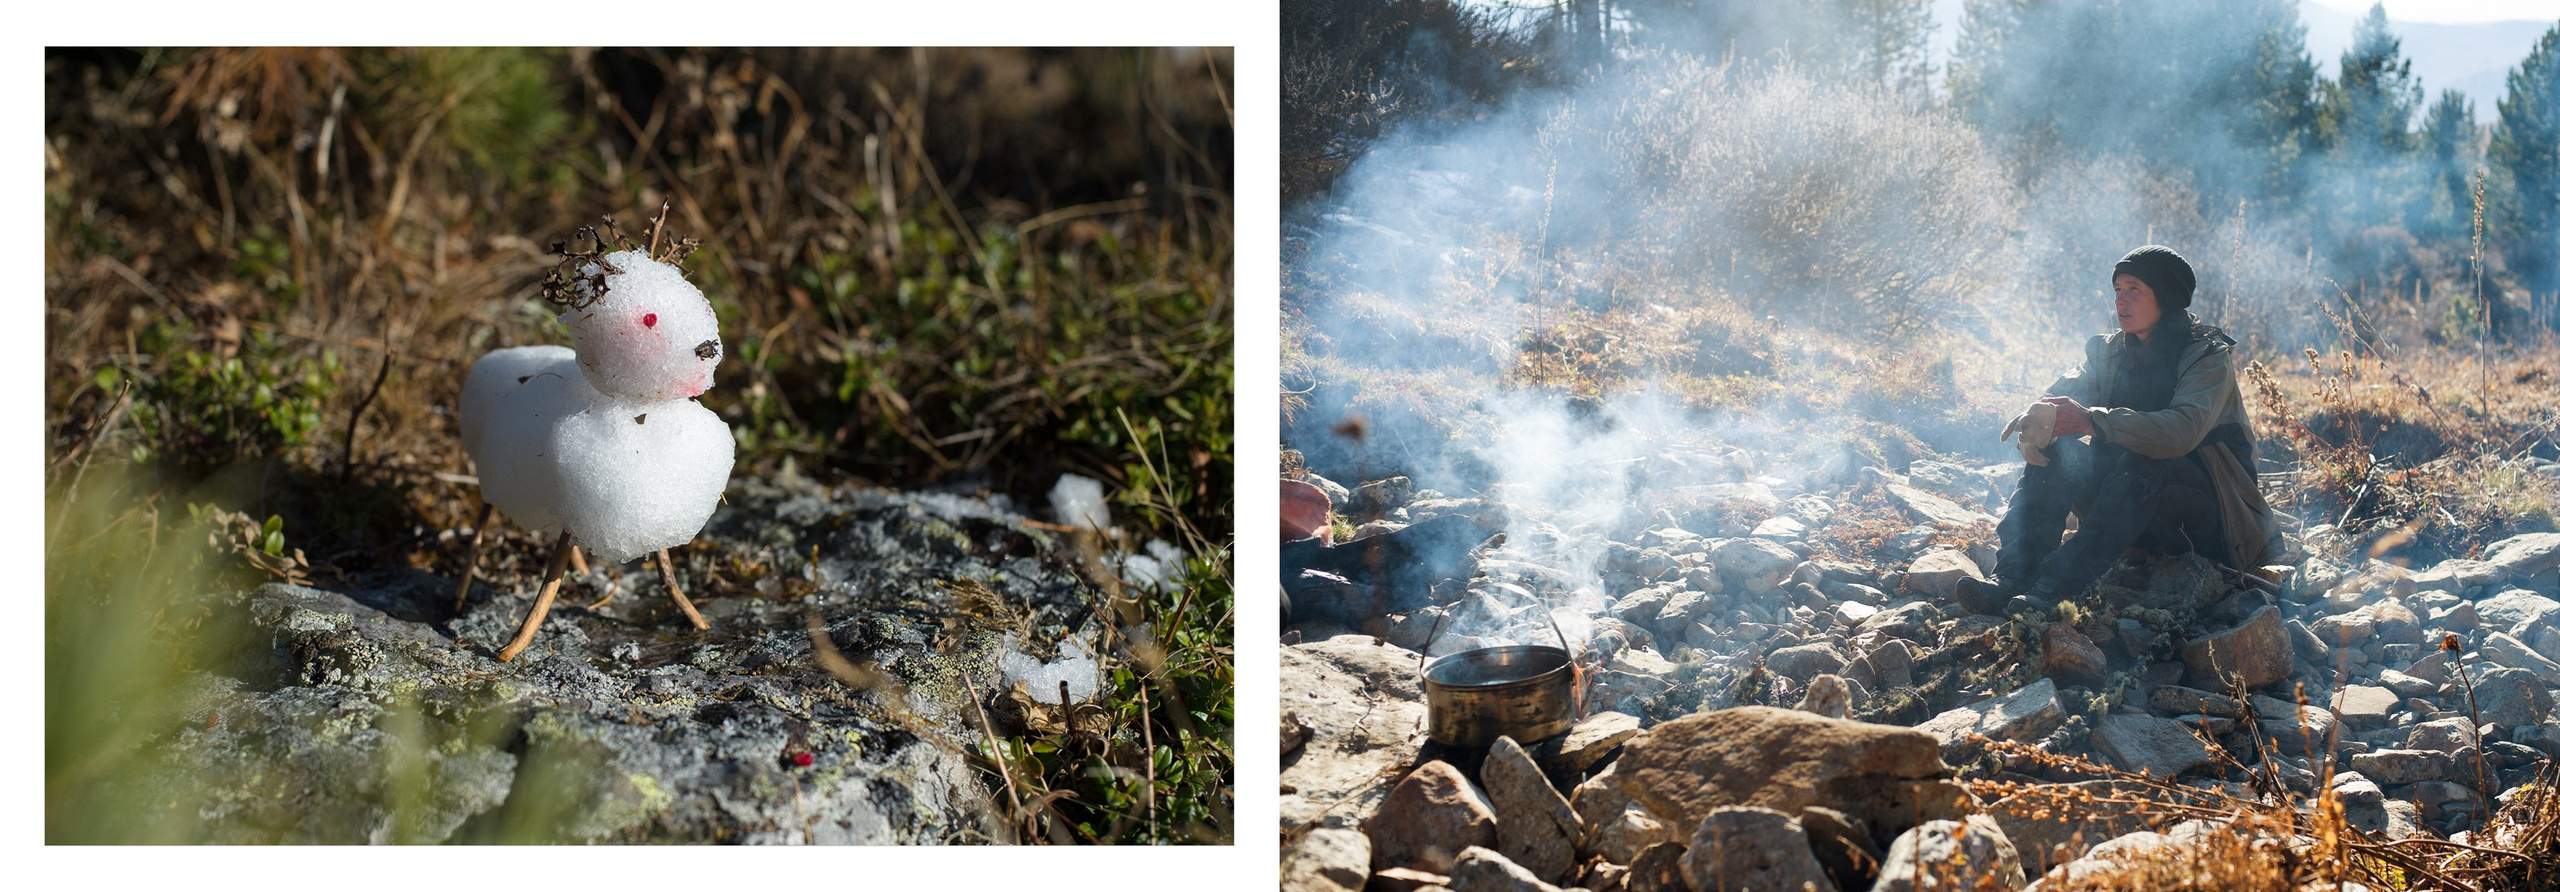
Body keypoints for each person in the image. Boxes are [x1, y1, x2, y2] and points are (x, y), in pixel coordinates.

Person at [1956, 245, 2280, 615]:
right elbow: (2063, 395)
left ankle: (2054, 590)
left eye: (2134, 289)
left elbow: (2181, 432)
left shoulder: (2207, 357)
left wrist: (2093, 419)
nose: (2120, 301)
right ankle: (2012, 579)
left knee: (2146, 457)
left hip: (2209, 522)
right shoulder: (2110, 353)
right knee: (2058, 451)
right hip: (2131, 513)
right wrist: (2038, 421)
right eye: (2117, 290)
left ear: (2167, 297)